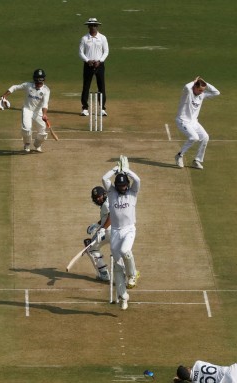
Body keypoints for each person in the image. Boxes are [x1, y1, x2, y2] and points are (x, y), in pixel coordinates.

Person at [101, 155, 140, 310]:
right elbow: (104, 178)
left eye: (125, 186)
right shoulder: (111, 193)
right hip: (116, 232)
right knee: (117, 266)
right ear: (116, 186)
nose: (123, 188)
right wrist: (115, 170)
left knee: (126, 251)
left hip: (129, 229)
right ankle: (123, 296)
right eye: (120, 186)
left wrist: (128, 171)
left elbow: (138, 180)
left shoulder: (133, 192)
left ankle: (132, 275)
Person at [174, 76, 220, 170]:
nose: (201, 92)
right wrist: (194, 81)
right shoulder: (187, 93)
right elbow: (187, 86)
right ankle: (179, 155)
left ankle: (197, 160)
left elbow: (217, 93)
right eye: (199, 90)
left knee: (205, 137)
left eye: (202, 90)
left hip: (194, 122)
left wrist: (206, 84)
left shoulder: (202, 95)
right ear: (194, 87)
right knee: (194, 137)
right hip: (183, 121)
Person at [0, 68, 51, 153]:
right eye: (37, 82)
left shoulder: (46, 90)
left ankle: (37, 145)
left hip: (38, 111)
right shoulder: (28, 85)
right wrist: (5, 96)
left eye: (40, 82)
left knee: (42, 133)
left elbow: (45, 103)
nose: (38, 84)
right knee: (26, 129)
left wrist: (44, 114)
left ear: (44, 80)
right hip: (27, 109)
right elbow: (14, 87)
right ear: (34, 80)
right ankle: (27, 144)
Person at [79, 18, 109, 117]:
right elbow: (80, 52)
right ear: (88, 26)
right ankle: (85, 108)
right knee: (86, 86)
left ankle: (102, 109)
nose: (93, 27)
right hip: (88, 65)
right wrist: (88, 61)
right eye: (91, 25)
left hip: (99, 65)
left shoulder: (102, 38)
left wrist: (100, 61)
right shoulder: (84, 38)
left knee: (101, 87)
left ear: (97, 26)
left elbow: (106, 51)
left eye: (95, 25)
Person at [85, 186, 111, 281]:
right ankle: (128, 275)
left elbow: (111, 216)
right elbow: (106, 217)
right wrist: (96, 224)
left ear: (103, 194)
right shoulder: (108, 201)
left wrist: (103, 229)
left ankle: (104, 274)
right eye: (96, 198)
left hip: (108, 232)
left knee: (90, 248)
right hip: (115, 232)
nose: (98, 199)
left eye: (99, 196)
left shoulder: (106, 204)